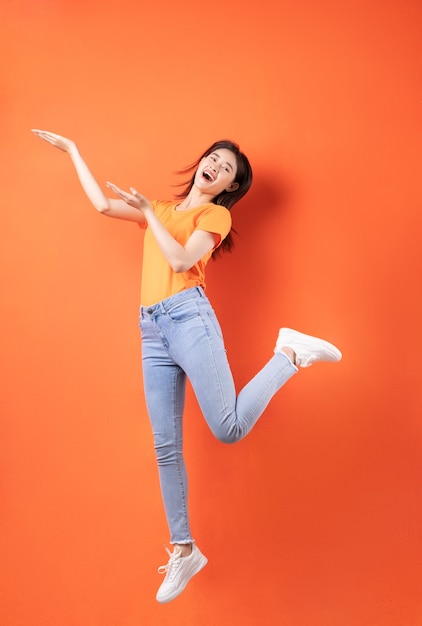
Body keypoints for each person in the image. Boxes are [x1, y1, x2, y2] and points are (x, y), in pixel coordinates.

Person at [31, 129, 342, 603]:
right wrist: (73, 151)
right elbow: (101, 205)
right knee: (165, 445)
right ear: (201, 162)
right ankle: (184, 548)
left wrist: (152, 215)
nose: (215, 167)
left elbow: (178, 259)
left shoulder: (212, 215)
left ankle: (289, 354)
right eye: (213, 159)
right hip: (152, 329)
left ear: (228, 188)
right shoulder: (160, 209)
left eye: (227, 170)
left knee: (228, 427)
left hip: (189, 318)